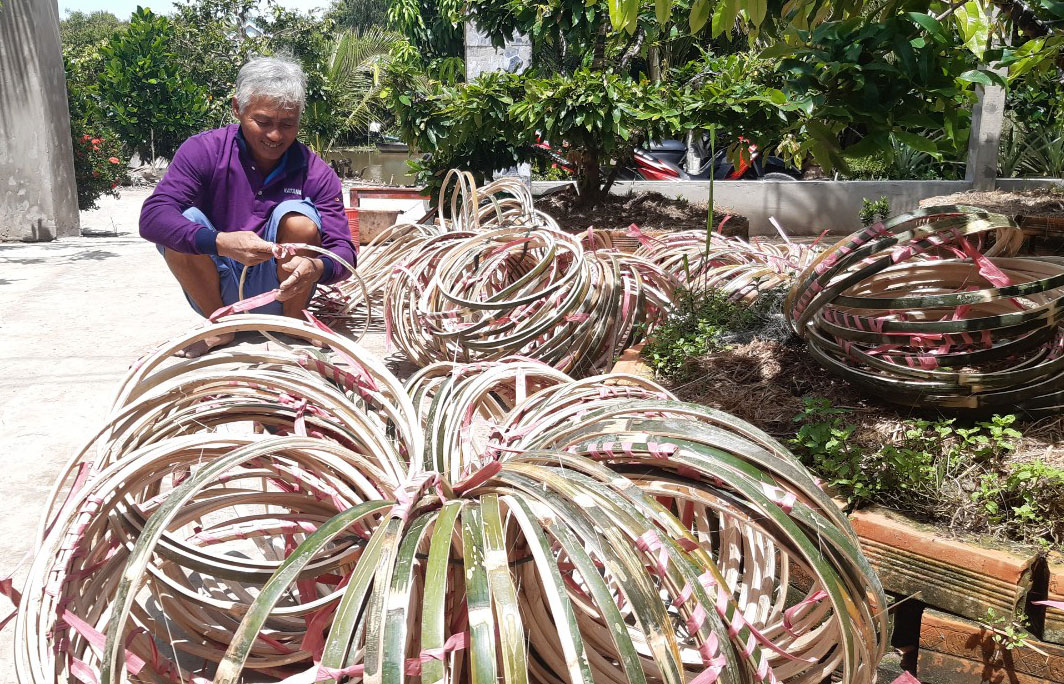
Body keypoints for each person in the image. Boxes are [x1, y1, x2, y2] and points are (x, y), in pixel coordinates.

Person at [140, 56, 356, 357]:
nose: (275, 136)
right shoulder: (203, 151)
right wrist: (220, 242)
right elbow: (152, 218)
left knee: (299, 221)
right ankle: (221, 326)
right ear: (237, 108)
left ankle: (293, 322)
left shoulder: (315, 171)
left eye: (287, 124)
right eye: (263, 122)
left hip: (287, 290)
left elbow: (344, 251)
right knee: (180, 223)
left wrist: (316, 267)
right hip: (218, 286)